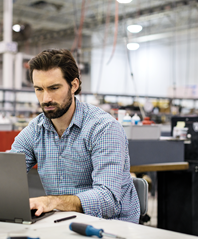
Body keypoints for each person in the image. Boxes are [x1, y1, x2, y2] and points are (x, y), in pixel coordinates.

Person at [10, 49, 140, 223]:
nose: (45, 98)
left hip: (110, 226)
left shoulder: (103, 128)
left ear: (74, 85)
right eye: (39, 89)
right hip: (61, 222)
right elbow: (5, 173)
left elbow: (108, 200)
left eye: (54, 88)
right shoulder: (35, 130)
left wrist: (52, 201)